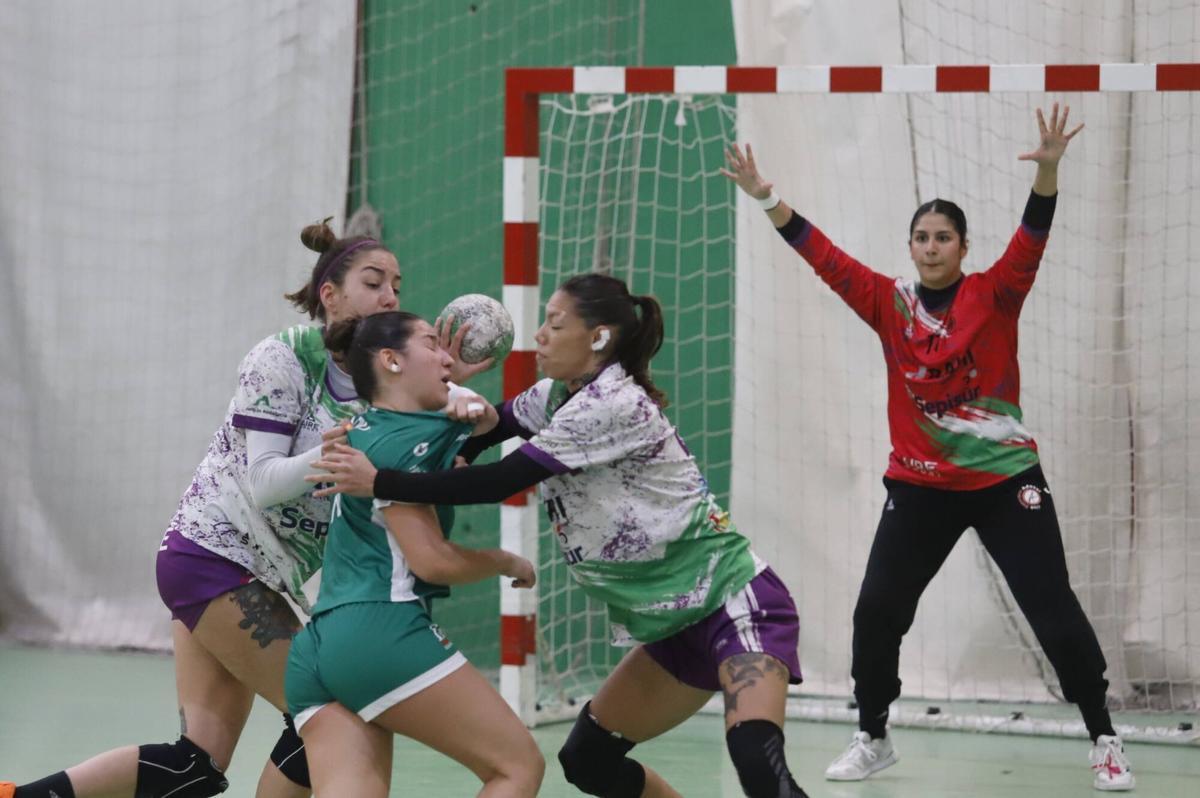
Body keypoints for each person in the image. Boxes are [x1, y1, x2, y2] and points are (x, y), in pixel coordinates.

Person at [721, 104, 1134, 792]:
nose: (932, 246)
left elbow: (1033, 234)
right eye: (922, 237)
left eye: (944, 237)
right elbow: (825, 258)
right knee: (876, 611)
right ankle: (873, 735)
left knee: (1052, 608)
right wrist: (766, 197)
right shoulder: (888, 303)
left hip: (1006, 482)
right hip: (920, 489)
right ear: (910, 247)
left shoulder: (996, 293)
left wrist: (1049, 171)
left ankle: (1105, 738)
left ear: (963, 247)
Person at [1, 220, 489, 798]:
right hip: (214, 558)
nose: (389, 297)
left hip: (254, 575)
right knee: (332, 712)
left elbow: (465, 422)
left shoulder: (384, 382)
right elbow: (262, 483)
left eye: (397, 287)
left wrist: (455, 394)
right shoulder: (283, 357)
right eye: (373, 282)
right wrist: (336, 454)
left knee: (194, 766)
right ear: (330, 295)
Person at [308, 273, 812, 798]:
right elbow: (492, 430)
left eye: (555, 323)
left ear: (598, 337)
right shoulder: (555, 396)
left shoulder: (611, 402)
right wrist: (441, 406)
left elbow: (500, 480)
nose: (540, 336)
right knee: (588, 761)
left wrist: (380, 481)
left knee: (757, 760)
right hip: (673, 624)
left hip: (732, 601)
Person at [284, 310, 544, 797]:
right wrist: (506, 561)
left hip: (319, 645)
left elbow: (478, 425)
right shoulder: (408, 443)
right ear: (391, 360)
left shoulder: (365, 427)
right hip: (382, 629)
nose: (446, 357)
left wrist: (452, 386)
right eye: (431, 344)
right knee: (517, 766)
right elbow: (432, 562)